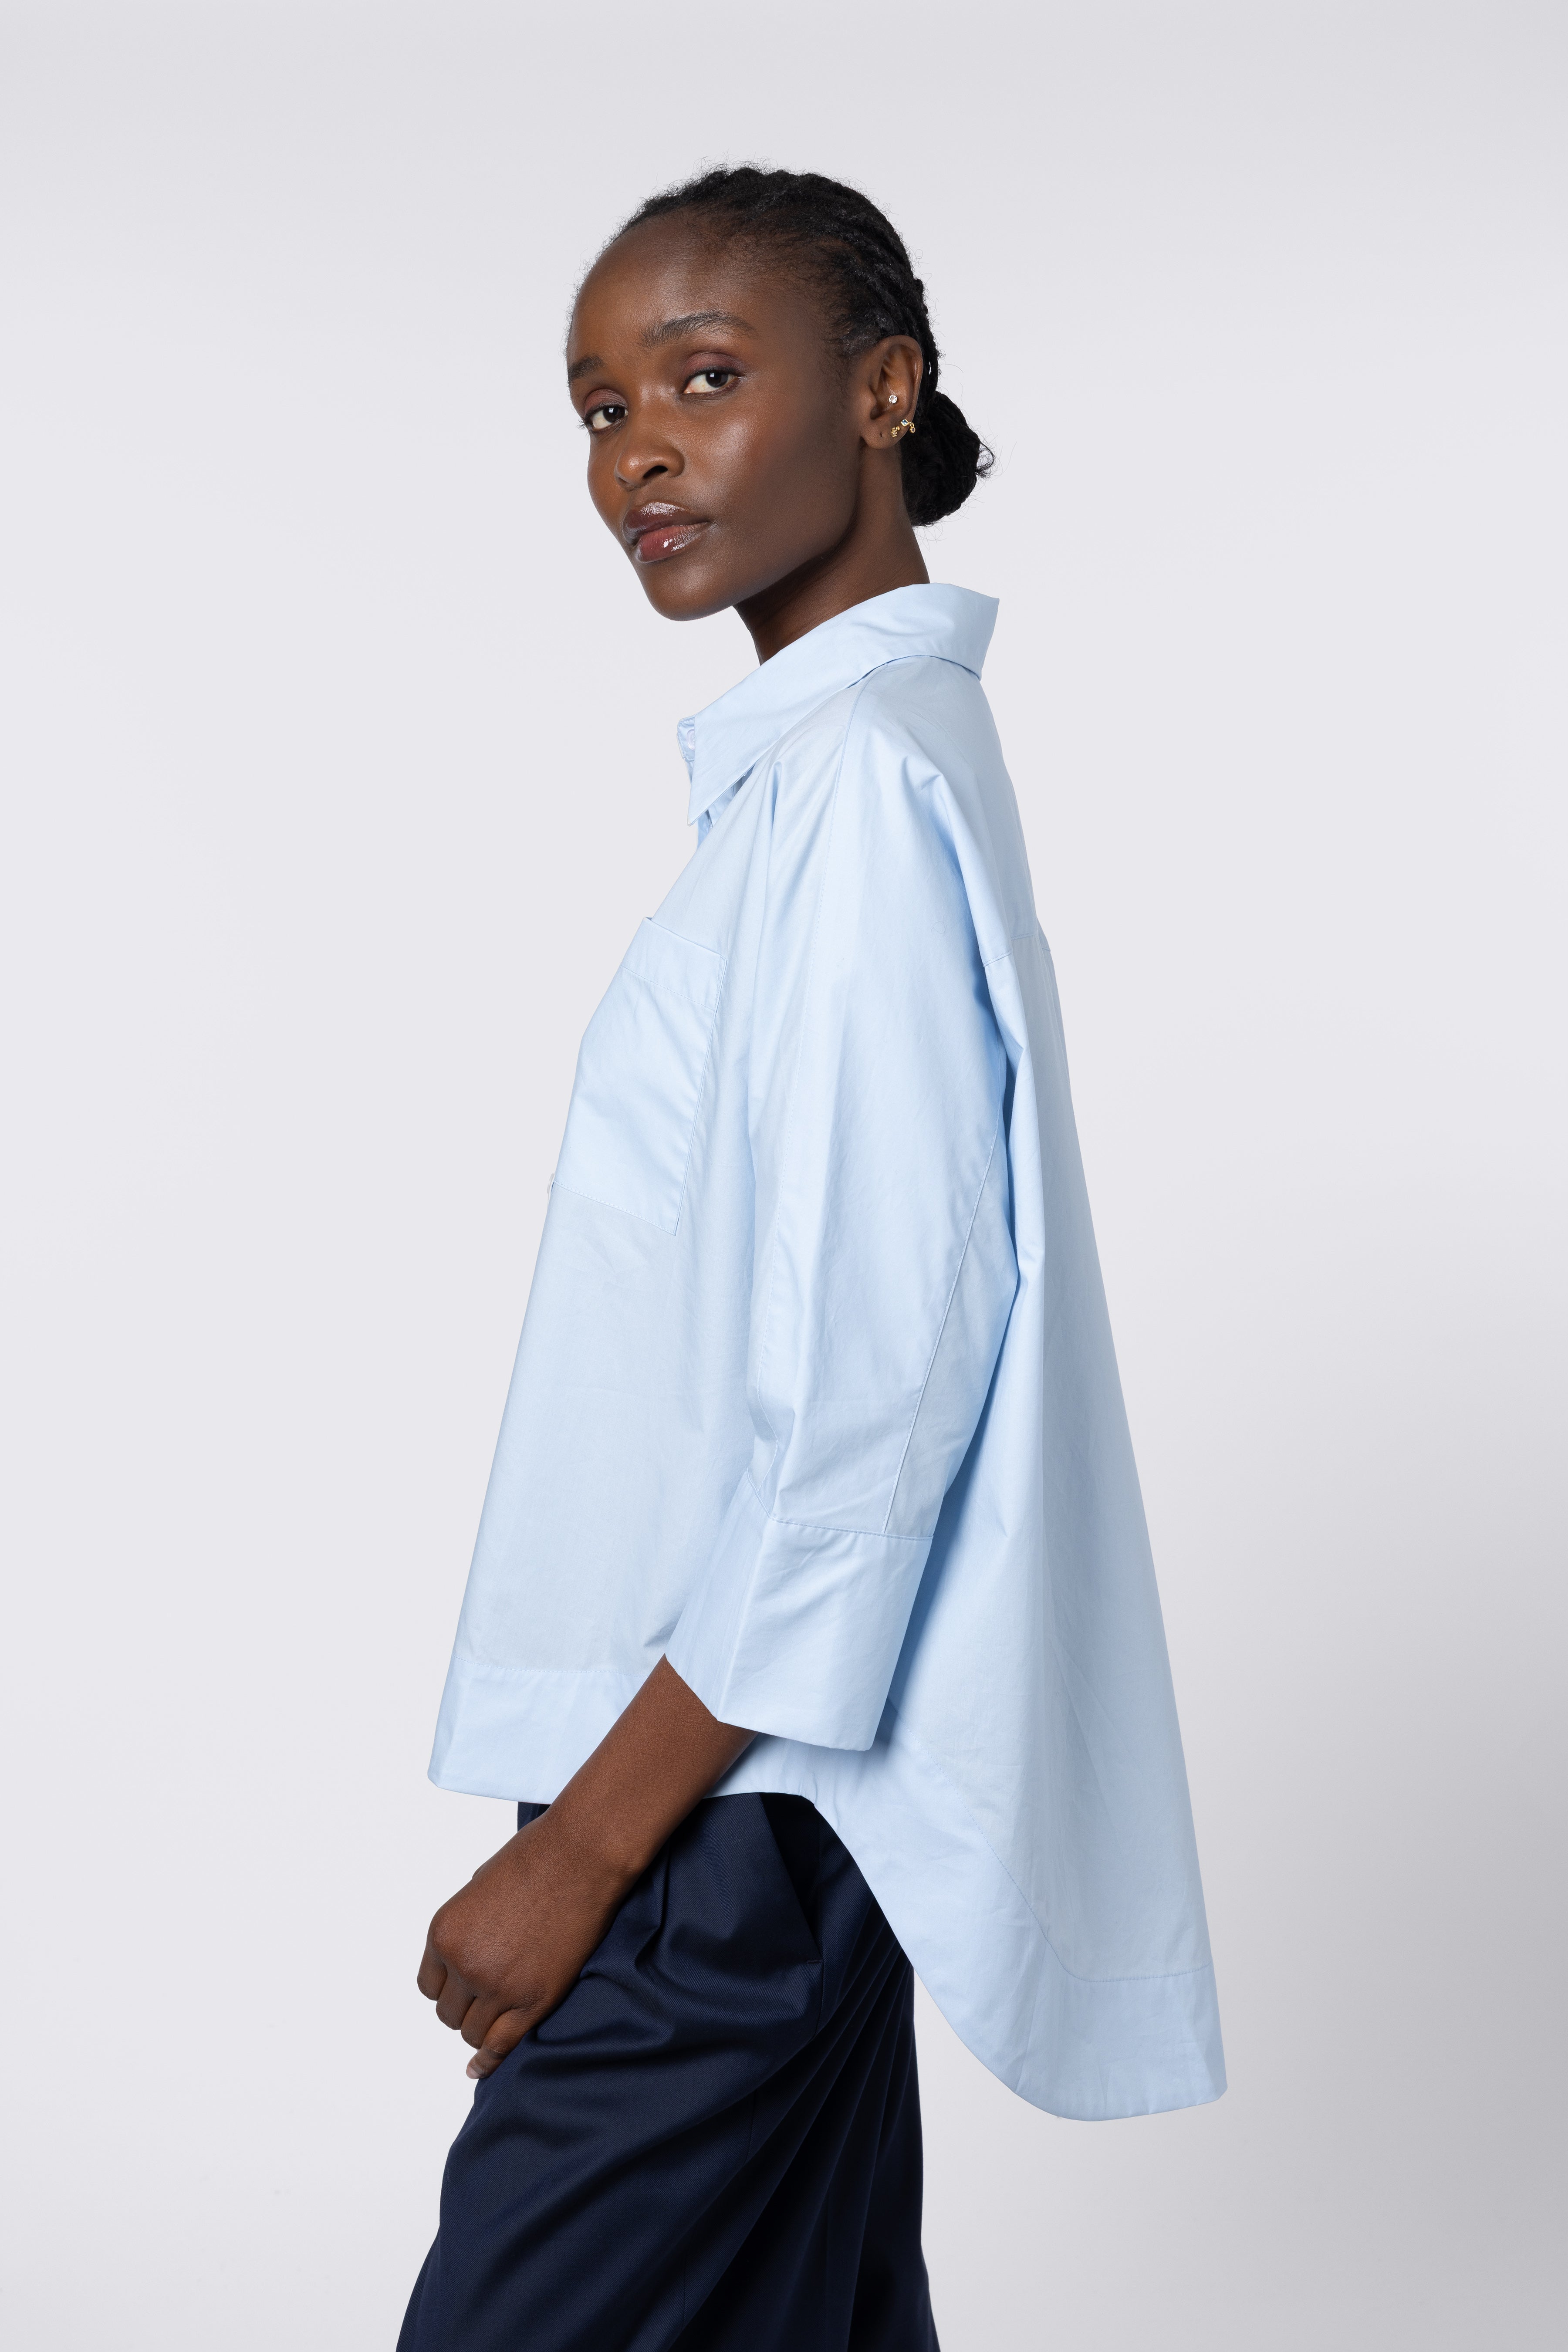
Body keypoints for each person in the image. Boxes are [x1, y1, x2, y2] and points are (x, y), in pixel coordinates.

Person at [399, 166, 1224, 2352]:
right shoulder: (849, 770)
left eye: (702, 379)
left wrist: (586, 1849)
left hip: (721, 1809)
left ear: (883, 392)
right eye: (599, 409)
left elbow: (881, 1390)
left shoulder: (860, 786)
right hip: (762, 1791)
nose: (637, 454)